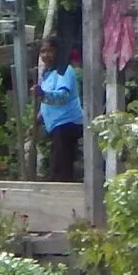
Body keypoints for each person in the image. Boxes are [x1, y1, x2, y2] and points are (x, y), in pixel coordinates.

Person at [38, 43, 83, 182]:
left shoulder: (64, 71)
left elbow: (63, 96)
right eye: (43, 51)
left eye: (49, 51)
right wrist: (40, 115)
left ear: (58, 53)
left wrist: (43, 94)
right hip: (56, 126)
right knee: (57, 165)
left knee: (61, 168)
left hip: (66, 124)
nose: (45, 55)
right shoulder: (47, 74)